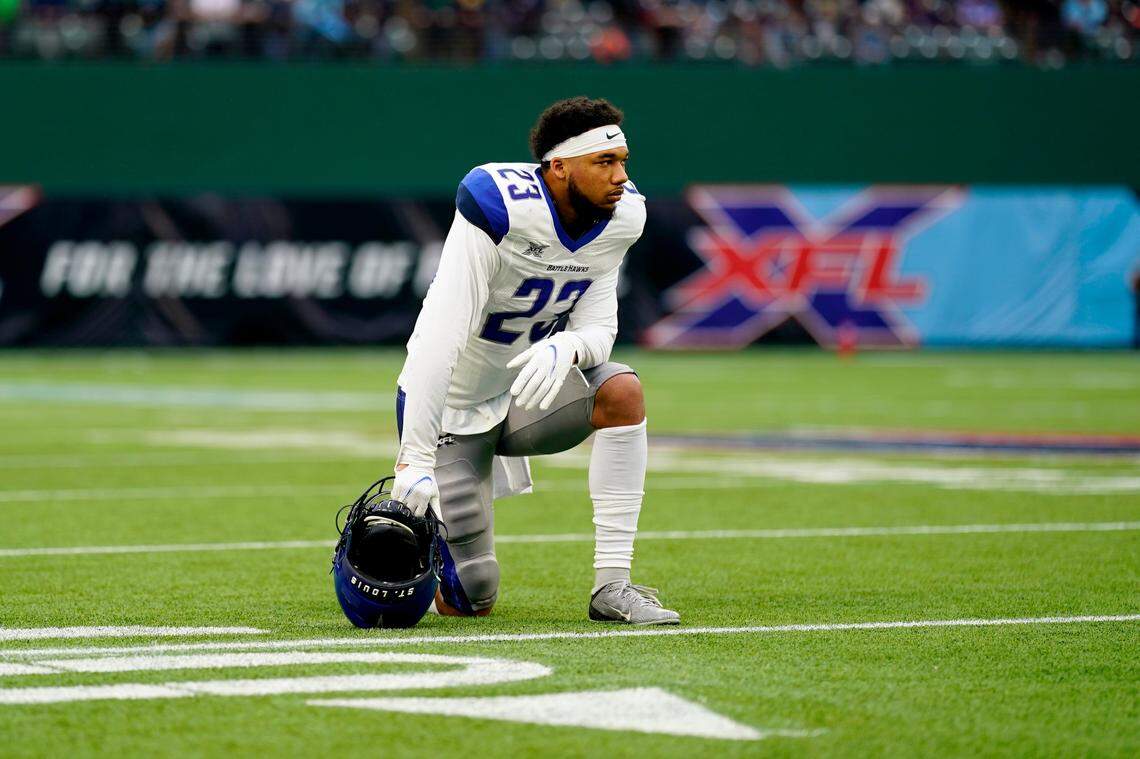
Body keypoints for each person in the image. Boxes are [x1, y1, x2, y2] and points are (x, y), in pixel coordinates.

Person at [390, 96, 679, 625]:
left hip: (527, 395)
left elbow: (599, 329)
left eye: (623, 162)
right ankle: (426, 547)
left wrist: (568, 345)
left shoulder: (620, 217)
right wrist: (414, 459)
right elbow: (438, 336)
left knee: (621, 390)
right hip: (455, 408)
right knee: (471, 599)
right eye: (605, 162)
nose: (620, 176)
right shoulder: (497, 204)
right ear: (559, 166)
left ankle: (613, 585)